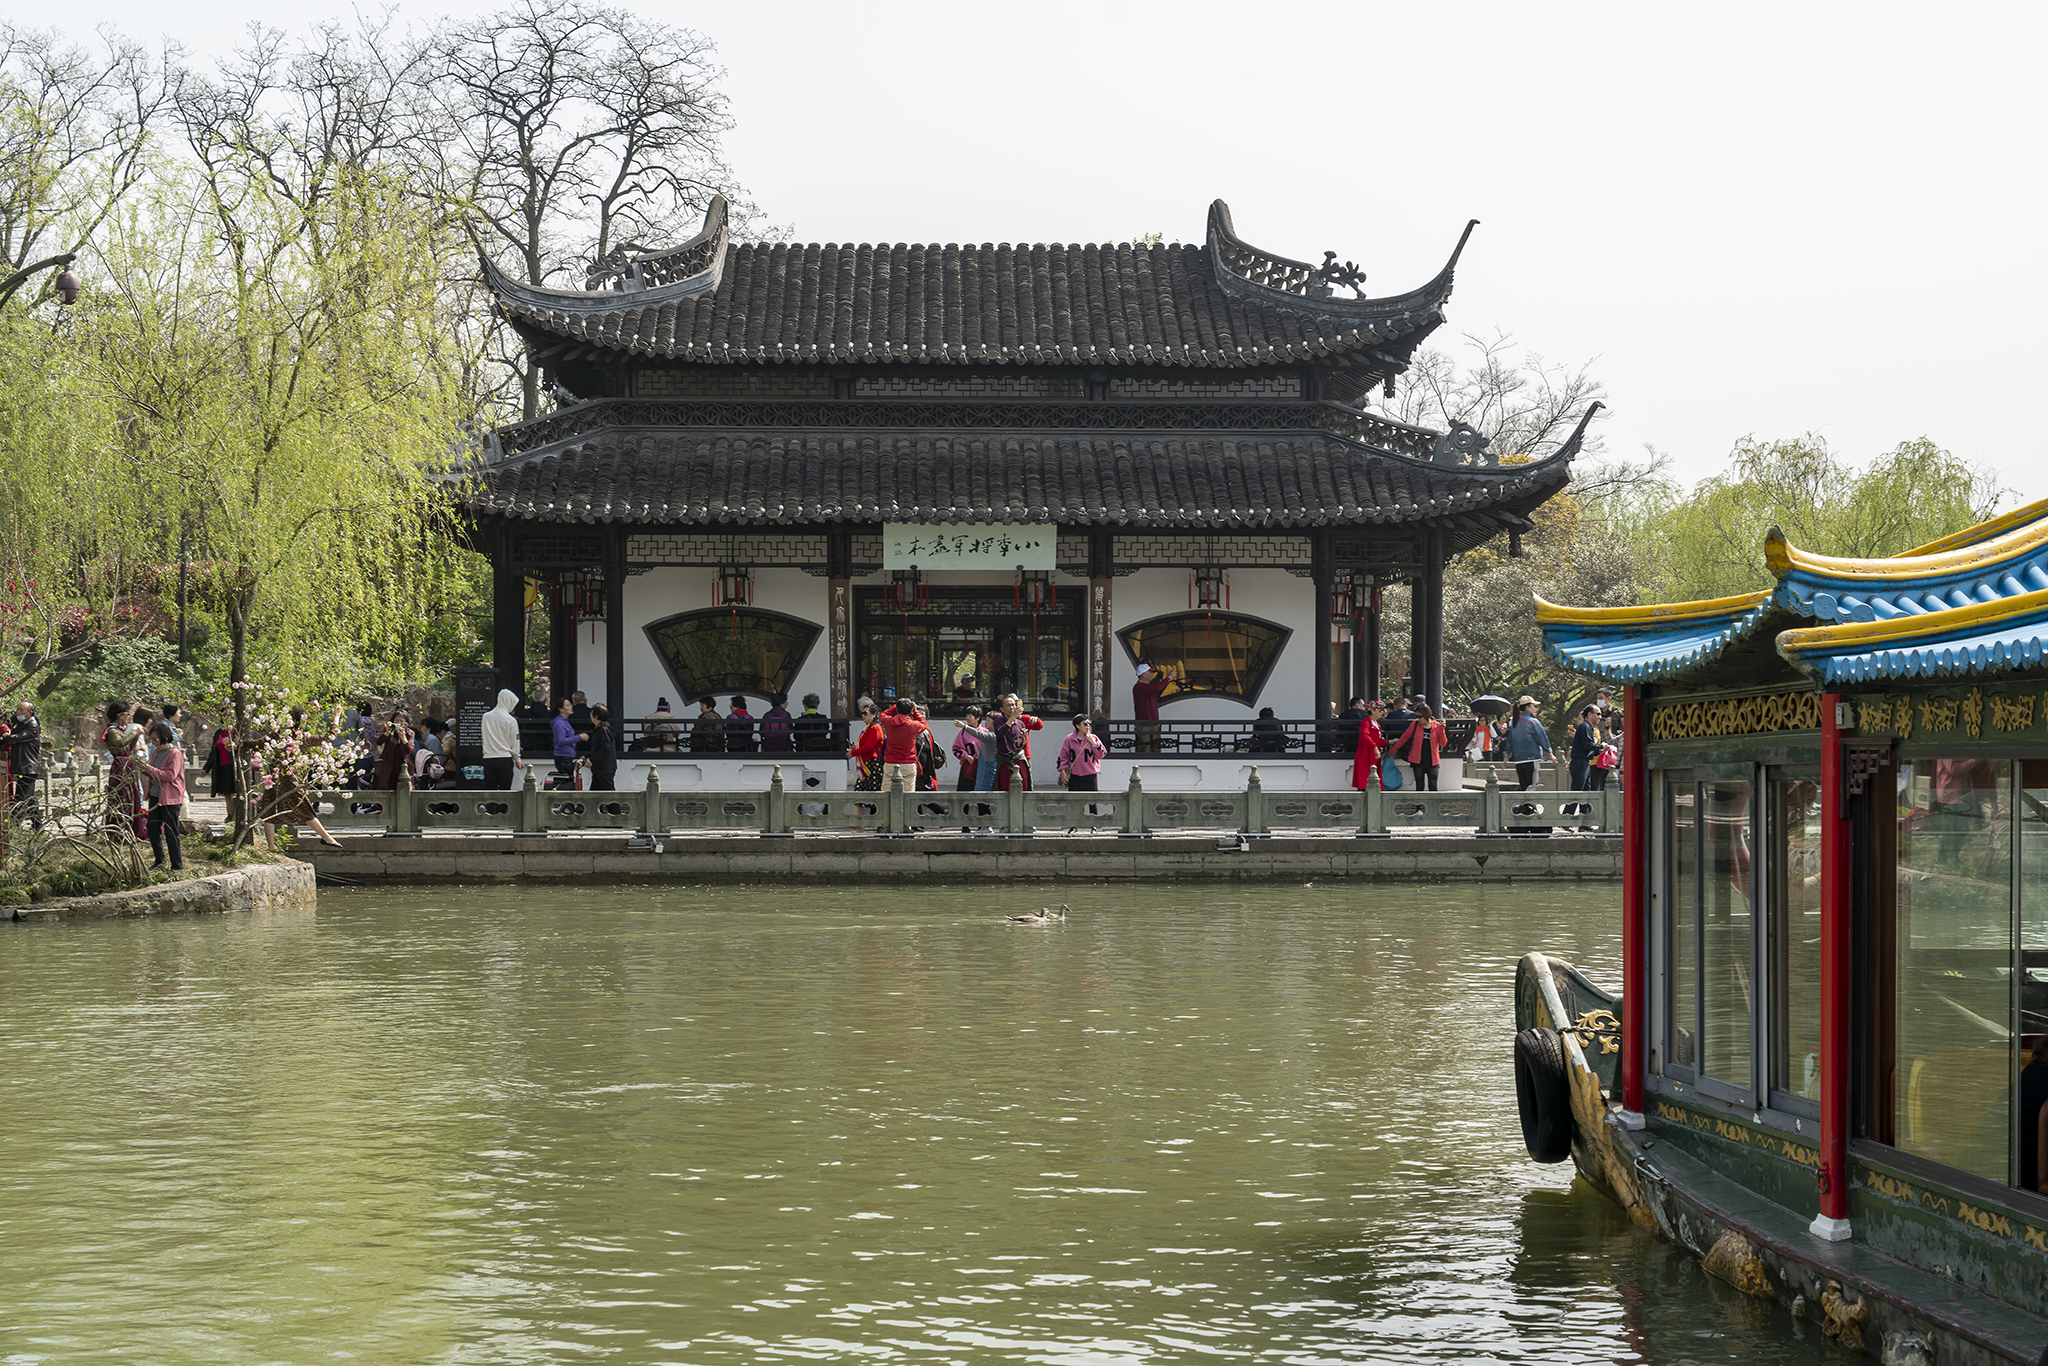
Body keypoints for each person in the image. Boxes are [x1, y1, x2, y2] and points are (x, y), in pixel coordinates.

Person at [263, 706, 342, 848]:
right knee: (305, 808)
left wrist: (240, 744)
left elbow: (258, 743)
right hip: (290, 777)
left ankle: (271, 846)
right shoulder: (304, 738)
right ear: (303, 721)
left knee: (269, 807)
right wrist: (336, 717)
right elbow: (329, 737)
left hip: (274, 774)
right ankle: (327, 838)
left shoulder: (279, 734)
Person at [138, 720, 187, 871]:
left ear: (165, 737)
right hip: (155, 796)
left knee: (171, 832)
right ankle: (159, 860)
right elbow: (153, 771)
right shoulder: (156, 752)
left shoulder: (175, 753)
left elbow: (170, 776)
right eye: (152, 739)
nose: (154, 742)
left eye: (156, 739)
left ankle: (176, 865)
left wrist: (148, 768)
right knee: (152, 829)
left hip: (170, 799)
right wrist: (144, 769)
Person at [101, 700, 146, 839]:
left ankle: (133, 828)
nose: (128, 717)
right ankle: (119, 829)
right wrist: (133, 733)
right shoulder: (112, 730)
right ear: (120, 715)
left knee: (132, 795)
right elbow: (120, 743)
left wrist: (136, 736)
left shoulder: (120, 730)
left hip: (128, 763)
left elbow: (129, 747)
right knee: (121, 795)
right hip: (120, 765)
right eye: (126, 714)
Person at [0, 699, 42, 828]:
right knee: (30, 800)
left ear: (30, 713)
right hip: (23, 767)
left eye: (21, 710)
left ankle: (13, 827)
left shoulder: (32, 725)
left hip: (29, 767)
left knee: (20, 798)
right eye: (17, 709)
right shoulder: (20, 723)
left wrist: (6, 737)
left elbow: (17, 738)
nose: (17, 712)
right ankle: (38, 826)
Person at [993, 693, 1044, 792]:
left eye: (1013, 705)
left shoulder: (1020, 722)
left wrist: (1024, 740)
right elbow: (1000, 734)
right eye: (1008, 705)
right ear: (1002, 709)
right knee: (1005, 788)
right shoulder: (998, 721)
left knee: (1023, 788)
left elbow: (1019, 745)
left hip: (1019, 759)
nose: (1012, 707)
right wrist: (1013, 717)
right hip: (1005, 761)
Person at [876, 699, 929, 792]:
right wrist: (915, 712)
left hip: (890, 762)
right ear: (911, 710)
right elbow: (923, 724)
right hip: (908, 763)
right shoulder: (913, 725)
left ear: (897, 709)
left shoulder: (889, 722)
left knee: (887, 792)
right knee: (908, 794)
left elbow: (882, 714)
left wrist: (895, 707)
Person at [1503, 696, 1555, 790]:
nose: (1536, 709)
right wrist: (1550, 754)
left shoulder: (1514, 723)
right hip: (1532, 758)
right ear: (1527, 707)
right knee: (1532, 786)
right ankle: (1528, 799)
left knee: (1523, 786)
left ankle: (1524, 800)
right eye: (1534, 706)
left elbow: (1510, 741)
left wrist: (1506, 757)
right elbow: (1542, 738)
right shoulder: (1533, 721)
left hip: (1519, 759)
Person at [1397, 700, 1448, 790]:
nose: (1418, 719)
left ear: (1427, 715)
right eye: (1417, 716)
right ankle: (1419, 800)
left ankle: (1433, 800)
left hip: (1432, 760)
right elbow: (1405, 737)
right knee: (1419, 785)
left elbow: (1443, 743)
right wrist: (1394, 749)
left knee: (1433, 785)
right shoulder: (1415, 724)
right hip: (1418, 760)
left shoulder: (1437, 725)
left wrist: (1442, 730)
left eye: (1420, 716)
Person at [480, 688, 521, 790]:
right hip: (504, 758)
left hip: (488, 758)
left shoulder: (486, 717)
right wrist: (517, 759)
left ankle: (490, 801)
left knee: (490, 788)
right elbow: (515, 741)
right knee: (505, 789)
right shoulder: (511, 720)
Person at [1056, 715, 1107, 791]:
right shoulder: (1069, 739)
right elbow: (1063, 757)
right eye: (1085, 724)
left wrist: (1094, 744)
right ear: (1078, 726)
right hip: (1074, 776)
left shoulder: (1094, 738)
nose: (1088, 726)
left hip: (1090, 776)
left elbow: (1101, 755)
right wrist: (1063, 772)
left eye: (1089, 723)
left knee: (1092, 798)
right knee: (1074, 798)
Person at [1133, 662, 1173, 752]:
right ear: (1144, 674)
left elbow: (1158, 690)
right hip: (1145, 724)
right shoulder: (1139, 687)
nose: (1152, 674)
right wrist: (1168, 678)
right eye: (1150, 672)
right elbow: (1157, 689)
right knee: (1145, 750)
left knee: (1155, 748)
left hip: (1152, 723)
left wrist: (1167, 680)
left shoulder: (1146, 687)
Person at [952, 704, 993, 791]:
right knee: (964, 795)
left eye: (970, 716)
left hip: (983, 767)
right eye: (966, 715)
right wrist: (966, 756)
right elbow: (956, 749)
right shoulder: (962, 732)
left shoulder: (985, 732)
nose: (967, 718)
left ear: (978, 718)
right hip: (968, 767)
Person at [847, 697, 884, 791]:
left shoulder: (875, 728)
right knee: (860, 791)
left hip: (872, 764)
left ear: (874, 715)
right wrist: (855, 749)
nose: (863, 716)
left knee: (872, 792)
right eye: (862, 713)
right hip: (866, 764)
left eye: (865, 713)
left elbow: (869, 747)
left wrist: (853, 753)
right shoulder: (869, 728)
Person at [372, 713, 416, 790]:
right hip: (388, 765)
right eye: (396, 720)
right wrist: (387, 733)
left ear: (405, 722)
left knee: (404, 789)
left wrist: (404, 738)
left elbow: (411, 750)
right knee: (385, 787)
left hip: (403, 766)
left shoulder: (409, 733)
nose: (398, 723)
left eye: (401, 721)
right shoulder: (388, 729)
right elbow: (379, 742)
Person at [1351, 700, 1386, 792]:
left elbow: (1378, 740)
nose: (1381, 713)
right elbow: (1365, 735)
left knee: (1373, 780)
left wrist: (1390, 742)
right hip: (1365, 754)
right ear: (1373, 711)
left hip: (1373, 755)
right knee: (1364, 781)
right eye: (1379, 710)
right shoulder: (1366, 722)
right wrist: (1375, 748)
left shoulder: (1377, 724)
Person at [550, 697, 587, 783]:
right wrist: (579, 737)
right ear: (561, 709)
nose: (571, 707)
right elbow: (561, 740)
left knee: (568, 781)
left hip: (567, 755)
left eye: (570, 705)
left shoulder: (564, 721)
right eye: (567, 705)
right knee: (566, 782)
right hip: (563, 756)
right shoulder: (559, 723)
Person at [912, 704, 946, 792]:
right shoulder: (913, 727)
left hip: (926, 765)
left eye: (922, 713)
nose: (920, 715)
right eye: (918, 713)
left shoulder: (925, 728)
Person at [1568, 705, 1601, 791]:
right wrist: (1601, 746)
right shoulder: (1584, 726)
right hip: (1580, 762)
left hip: (1584, 762)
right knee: (1577, 791)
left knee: (1586, 793)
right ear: (1589, 714)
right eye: (1598, 714)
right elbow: (1588, 745)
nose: (1600, 717)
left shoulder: (1589, 727)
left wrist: (1600, 750)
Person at [202, 724, 238, 801]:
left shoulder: (237, 731)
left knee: (234, 795)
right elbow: (213, 753)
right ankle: (229, 809)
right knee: (227, 795)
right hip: (222, 767)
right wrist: (206, 768)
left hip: (234, 767)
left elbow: (246, 747)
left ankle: (237, 809)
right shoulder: (219, 733)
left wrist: (236, 747)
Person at [586, 705, 618, 791]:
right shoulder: (602, 728)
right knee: (595, 795)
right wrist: (587, 757)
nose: (590, 715)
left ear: (596, 716)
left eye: (591, 713)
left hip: (604, 767)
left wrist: (592, 759)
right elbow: (598, 748)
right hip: (600, 767)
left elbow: (606, 748)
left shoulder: (603, 729)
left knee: (608, 794)